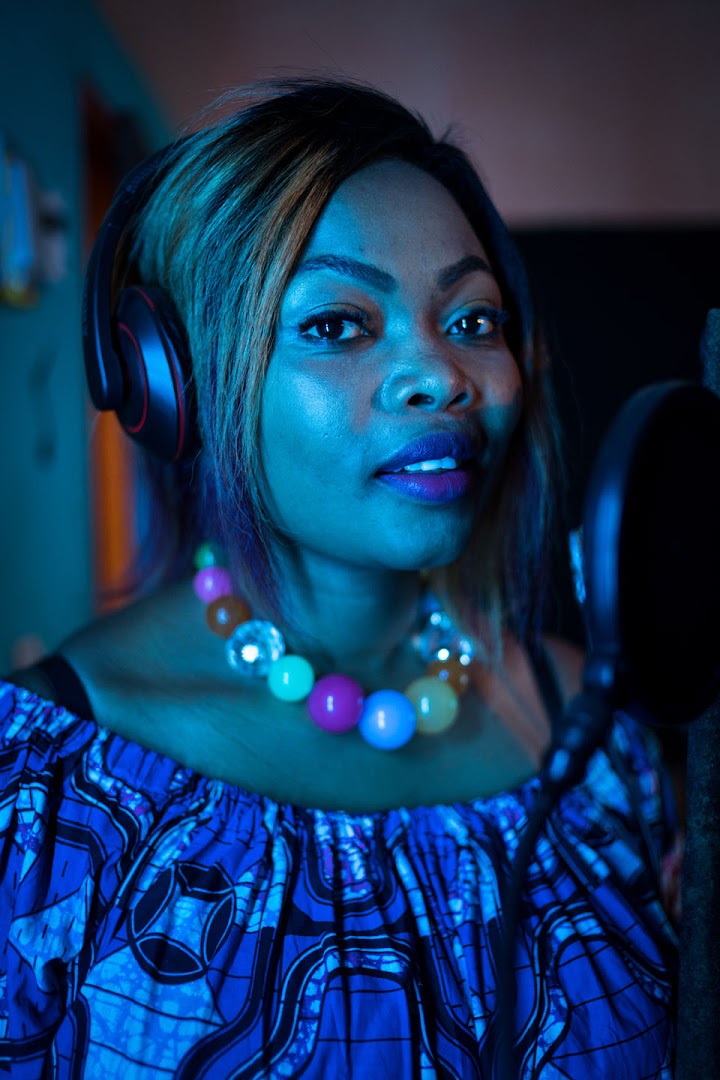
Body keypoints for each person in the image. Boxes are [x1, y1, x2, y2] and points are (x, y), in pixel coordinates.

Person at [0, 78, 678, 1077]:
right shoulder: (39, 801)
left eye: (475, 320)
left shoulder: (600, 737)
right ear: (172, 383)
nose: (441, 374)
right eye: (336, 324)